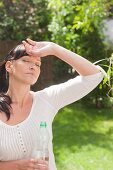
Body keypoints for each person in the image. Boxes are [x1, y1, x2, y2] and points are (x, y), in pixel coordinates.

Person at [0, 38, 105, 170]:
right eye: (26, 60)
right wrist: (18, 165)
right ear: (9, 66)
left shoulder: (47, 99)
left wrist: (54, 49)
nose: (33, 66)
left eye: (38, 64)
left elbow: (94, 76)